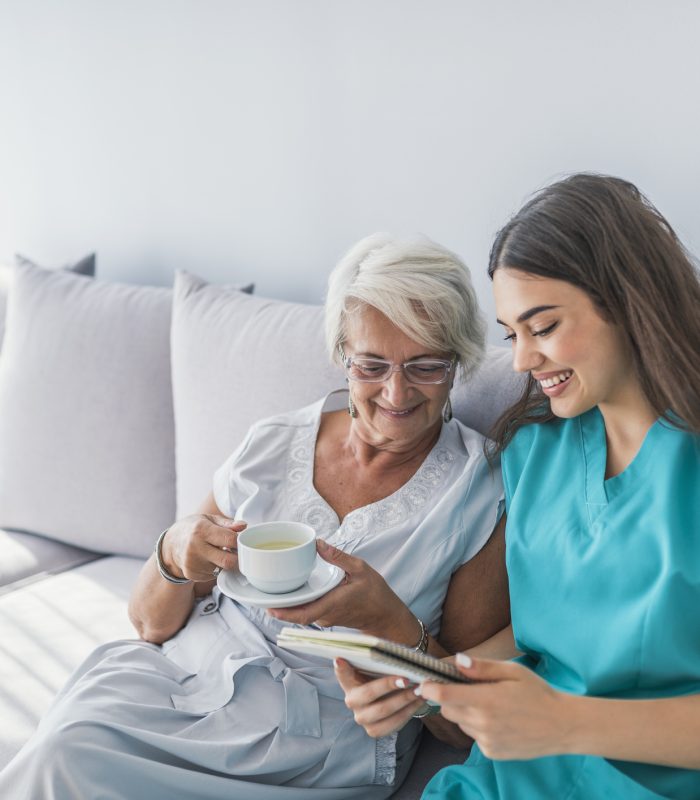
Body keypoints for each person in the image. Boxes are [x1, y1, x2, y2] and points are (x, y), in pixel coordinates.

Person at [0, 233, 510, 799]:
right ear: (343, 354)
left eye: (425, 366)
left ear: (459, 362)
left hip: (312, 742)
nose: (395, 391)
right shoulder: (273, 442)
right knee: (63, 748)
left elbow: (461, 724)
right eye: (371, 365)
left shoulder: (479, 489)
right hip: (182, 682)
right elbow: (149, 625)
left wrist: (390, 625)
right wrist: (174, 552)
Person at [337, 175, 700, 799]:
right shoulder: (534, 454)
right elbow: (540, 639)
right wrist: (433, 684)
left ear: (628, 301)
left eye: (544, 326)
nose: (523, 361)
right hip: (511, 780)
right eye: (512, 334)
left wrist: (567, 722)